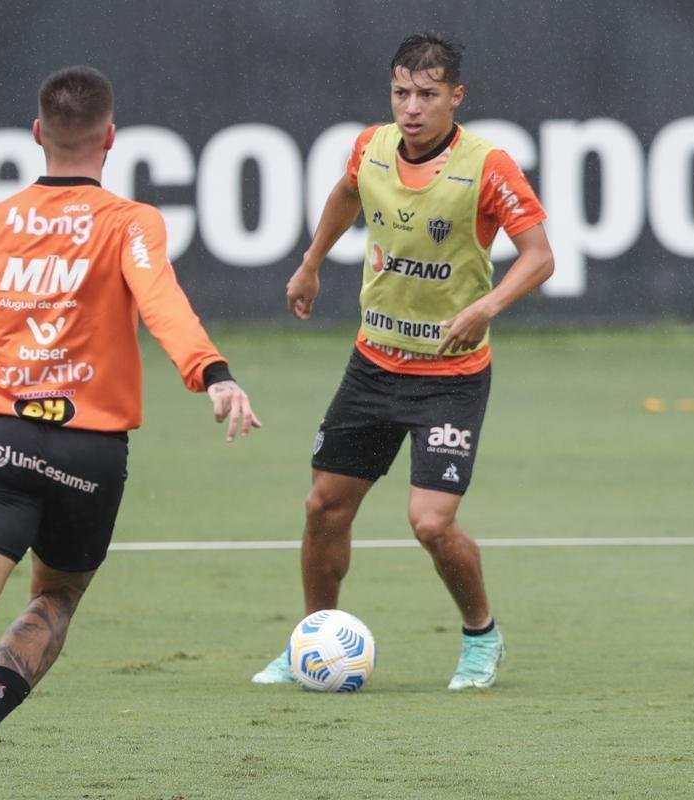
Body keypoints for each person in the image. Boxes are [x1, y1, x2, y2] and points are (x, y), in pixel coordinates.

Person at [0, 65, 262, 800]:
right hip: (91, 454)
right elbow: (163, 303)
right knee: (54, 599)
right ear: (110, 138)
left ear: (36, 133)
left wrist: (3, 391)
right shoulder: (130, 221)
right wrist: (212, 373)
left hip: (8, 438)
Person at [252, 33, 553, 691]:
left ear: (455, 96)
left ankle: (481, 635)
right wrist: (310, 263)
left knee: (431, 523)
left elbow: (539, 256)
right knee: (323, 507)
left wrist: (485, 308)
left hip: (450, 377)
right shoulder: (371, 147)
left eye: (427, 94)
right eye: (400, 93)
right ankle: (312, 640)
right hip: (374, 366)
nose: (411, 108)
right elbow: (346, 193)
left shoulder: (488, 166)